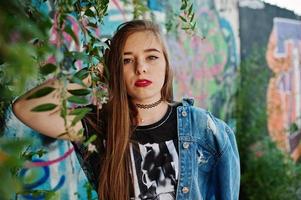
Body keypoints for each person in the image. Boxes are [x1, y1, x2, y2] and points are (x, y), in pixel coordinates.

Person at [13, 20, 240, 200]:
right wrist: (92, 75)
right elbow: (25, 108)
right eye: (126, 61)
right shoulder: (100, 126)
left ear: (167, 65)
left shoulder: (204, 128)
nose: (141, 67)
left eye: (151, 57)